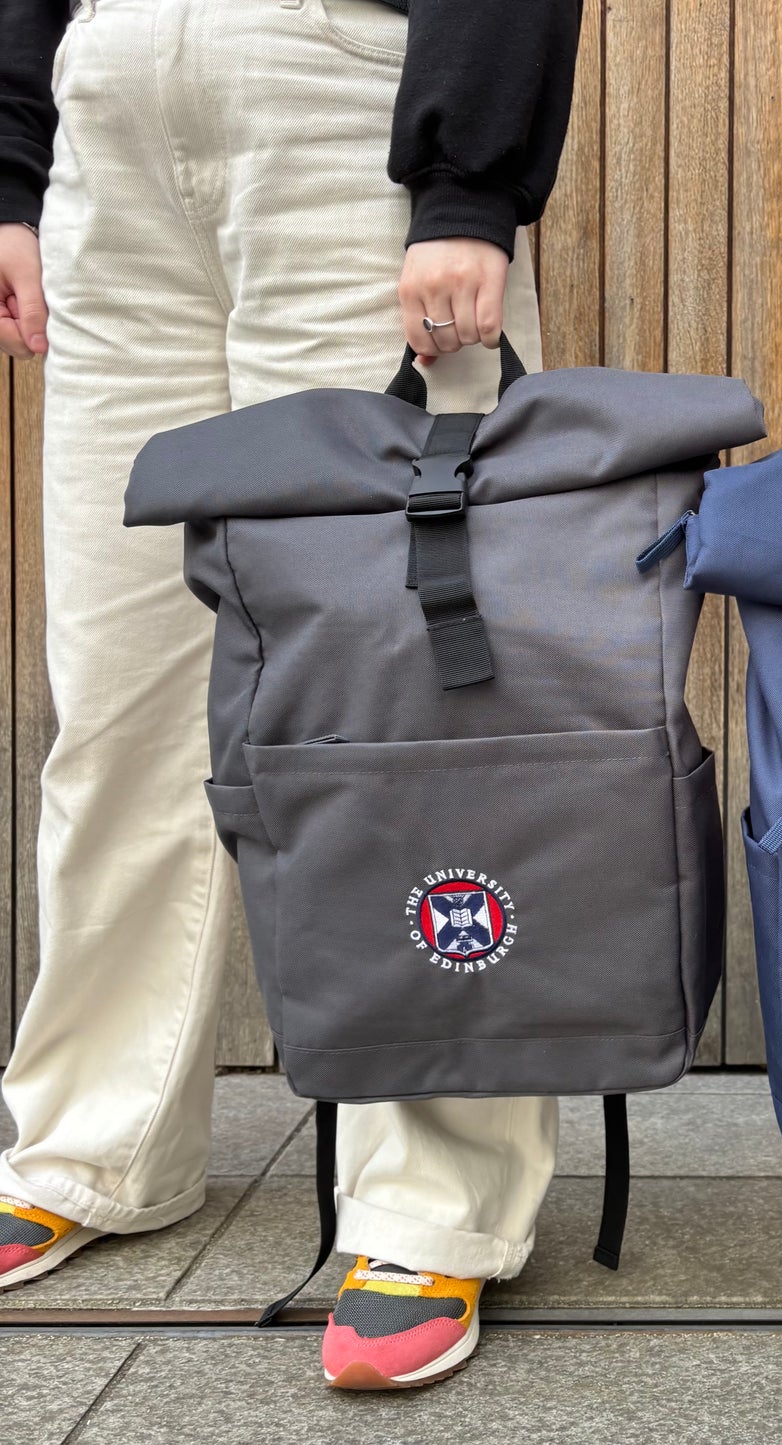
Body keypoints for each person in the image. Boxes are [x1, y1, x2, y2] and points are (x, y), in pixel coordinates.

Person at [0, 0, 581, 1392]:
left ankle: (435, 1191)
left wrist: (464, 180)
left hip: (343, 99)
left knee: (406, 700)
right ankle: (90, 1138)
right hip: (115, 111)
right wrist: (14, 159)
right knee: (119, 700)